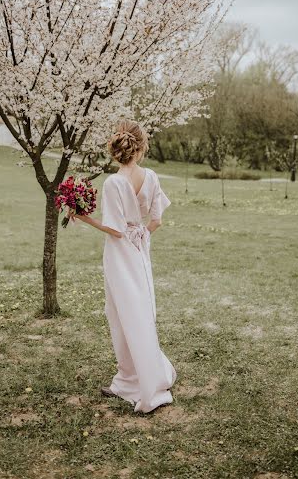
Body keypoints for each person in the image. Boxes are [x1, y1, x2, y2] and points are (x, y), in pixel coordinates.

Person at [70, 119, 177, 413]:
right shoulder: (152, 176)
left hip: (120, 254)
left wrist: (84, 217)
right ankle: (132, 377)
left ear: (116, 149)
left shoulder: (114, 183)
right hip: (140, 251)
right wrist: (141, 235)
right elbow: (155, 220)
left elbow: (116, 230)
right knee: (140, 311)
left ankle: (134, 381)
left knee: (120, 313)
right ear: (141, 147)